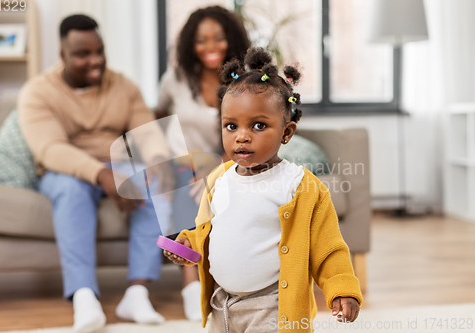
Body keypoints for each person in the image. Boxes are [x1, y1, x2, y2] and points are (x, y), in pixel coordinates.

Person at [164, 47, 363, 333]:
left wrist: (342, 288)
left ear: (286, 132)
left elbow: (328, 248)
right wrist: (188, 244)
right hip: (223, 303)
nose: (242, 136)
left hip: (273, 306)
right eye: (231, 126)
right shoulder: (219, 178)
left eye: (258, 125)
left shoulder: (301, 186)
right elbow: (211, 229)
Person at [18, 15, 175, 333]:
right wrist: (101, 174)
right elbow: (50, 149)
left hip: (116, 163)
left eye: (99, 51)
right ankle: (84, 295)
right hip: (65, 170)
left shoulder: (123, 86)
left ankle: (137, 291)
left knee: (148, 180)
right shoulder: (37, 93)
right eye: (83, 53)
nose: (95, 60)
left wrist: (160, 159)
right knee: (72, 192)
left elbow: (147, 132)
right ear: (62, 55)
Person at [155, 6, 250, 321]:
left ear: (231, 40)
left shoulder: (246, 80)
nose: (210, 47)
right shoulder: (176, 79)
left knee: (218, 190)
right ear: (189, 45)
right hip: (186, 162)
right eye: (201, 40)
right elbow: (155, 114)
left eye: (218, 39)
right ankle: (191, 284)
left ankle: (235, 282)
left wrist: (219, 167)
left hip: (230, 161)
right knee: (191, 190)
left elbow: (251, 128)